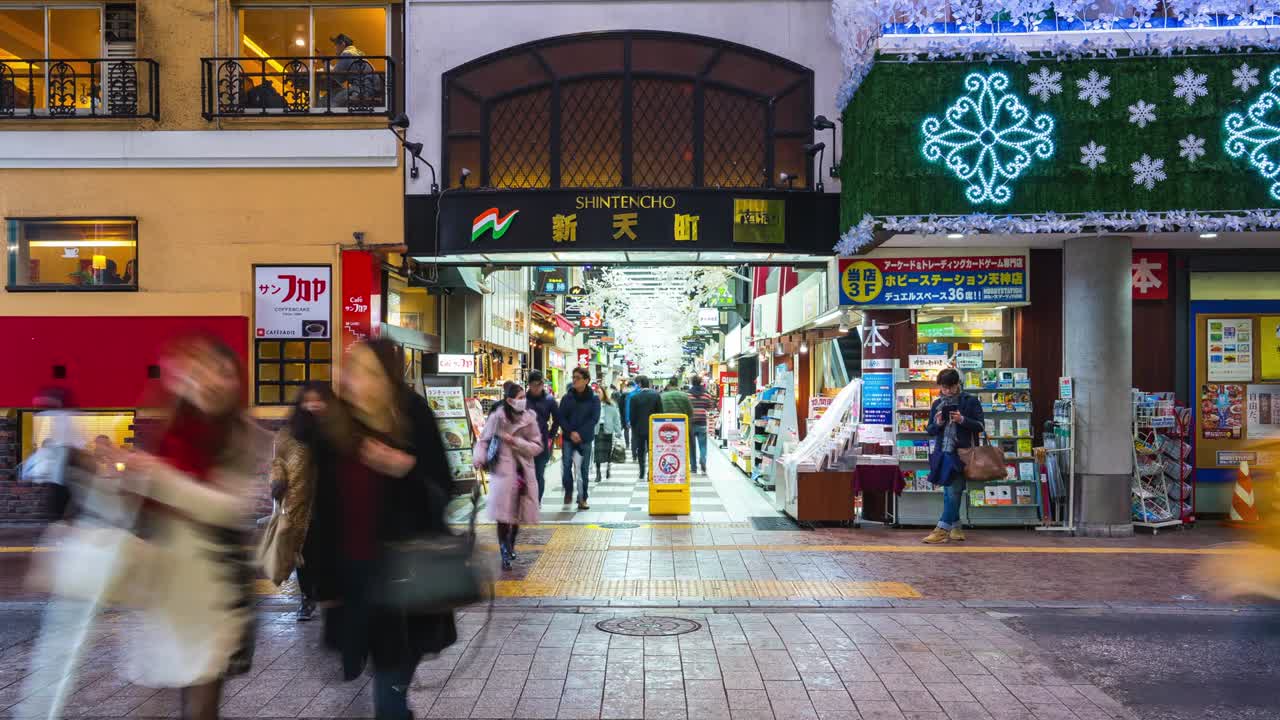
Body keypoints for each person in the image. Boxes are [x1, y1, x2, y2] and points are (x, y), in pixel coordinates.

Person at [121, 335, 260, 720]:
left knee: (201, 697)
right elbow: (147, 508)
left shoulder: (240, 435)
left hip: (214, 589)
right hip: (166, 587)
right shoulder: (174, 430)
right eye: (202, 370)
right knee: (173, 694)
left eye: (225, 372)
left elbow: (230, 508)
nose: (213, 380)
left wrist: (160, 479)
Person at [320, 338, 457, 719]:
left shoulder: (413, 416)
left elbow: (444, 487)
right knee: (379, 679)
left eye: (369, 372)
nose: (357, 381)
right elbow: (323, 509)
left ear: (388, 379)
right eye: (353, 370)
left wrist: (405, 468)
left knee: (390, 691)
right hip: (356, 578)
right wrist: (323, 584)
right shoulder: (337, 424)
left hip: (407, 579)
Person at [268, 381, 342, 622]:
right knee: (304, 552)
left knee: (331, 551)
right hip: (302, 501)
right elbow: (278, 461)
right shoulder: (290, 433)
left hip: (335, 500)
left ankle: (331, 594)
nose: (313, 405)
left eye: (319, 400)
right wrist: (277, 481)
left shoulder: (340, 430)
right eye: (308, 400)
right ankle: (308, 597)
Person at [473, 382, 541, 570]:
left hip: (522, 472)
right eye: (519, 398)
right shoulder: (497, 418)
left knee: (516, 514)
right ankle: (504, 550)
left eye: (524, 398)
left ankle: (511, 543)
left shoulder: (529, 419)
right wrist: (479, 458)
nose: (523, 401)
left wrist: (517, 442)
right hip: (502, 473)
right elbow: (483, 441)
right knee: (503, 515)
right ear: (510, 400)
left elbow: (537, 446)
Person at [923, 368, 986, 544]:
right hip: (943, 453)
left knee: (953, 490)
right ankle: (956, 526)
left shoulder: (970, 401)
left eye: (951, 386)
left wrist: (962, 420)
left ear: (958, 384)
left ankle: (942, 529)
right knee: (949, 491)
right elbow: (930, 430)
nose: (948, 391)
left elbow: (980, 426)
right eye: (945, 387)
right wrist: (938, 423)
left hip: (961, 453)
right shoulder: (937, 404)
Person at [558, 367, 601, 509]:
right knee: (566, 466)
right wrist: (571, 432)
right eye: (573, 377)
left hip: (585, 439)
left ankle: (582, 498)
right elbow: (561, 417)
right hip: (568, 438)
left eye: (578, 377)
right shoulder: (567, 397)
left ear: (586, 380)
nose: (574, 380)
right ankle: (568, 490)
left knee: (583, 470)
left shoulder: (594, 399)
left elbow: (594, 419)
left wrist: (580, 434)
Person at [524, 370, 561, 503]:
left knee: (539, 472)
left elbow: (557, 419)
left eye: (540, 384)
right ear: (529, 385)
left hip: (542, 441)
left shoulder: (549, 400)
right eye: (534, 384)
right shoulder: (522, 399)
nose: (537, 387)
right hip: (524, 442)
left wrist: (551, 435)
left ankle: (536, 501)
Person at [328, 33, 380, 108]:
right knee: (338, 94)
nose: (334, 48)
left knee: (334, 100)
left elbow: (337, 76)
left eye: (335, 45)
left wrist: (327, 65)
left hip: (362, 89)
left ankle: (332, 119)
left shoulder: (347, 54)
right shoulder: (356, 53)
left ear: (342, 44)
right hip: (370, 87)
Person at [628, 376, 663, 480]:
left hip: (639, 429)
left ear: (639, 384)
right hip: (654, 428)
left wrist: (633, 426)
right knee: (652, 450)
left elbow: (632, 415)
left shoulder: (635, 397)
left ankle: (641, 471)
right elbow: (660, 413)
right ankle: (650, 472)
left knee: (641, 450)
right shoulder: (656, 396)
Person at [687, 376, 714, 475]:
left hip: (691, 423)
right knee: (703, 446)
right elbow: (710, 407)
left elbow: (686, 407)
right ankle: (703, 462)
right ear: (701, 382)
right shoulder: (706, 395)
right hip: (702, 422)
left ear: (692, 382)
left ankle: (693, 467)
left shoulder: (687, 395)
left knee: (691, 446)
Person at [594, 391, 624, 481]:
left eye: (599, 392)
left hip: (608, 429)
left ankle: (608, 468)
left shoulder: (611, 404)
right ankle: (598, 473)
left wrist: (618, 431)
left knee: (608, 451)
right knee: (597, 451)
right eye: (595, 392)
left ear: (604, 393)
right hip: (597, 430)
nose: (597, 394)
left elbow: (616, 418)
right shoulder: (592, 404)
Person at [622, 379, 639, 457]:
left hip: (631, 417)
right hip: (640, 418)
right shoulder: (638, 392)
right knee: (637, 435)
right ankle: (638, 452)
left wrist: (627, 420)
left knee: (633, 435)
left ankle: (633, 452)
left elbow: (627, 408)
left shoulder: (628, 394)